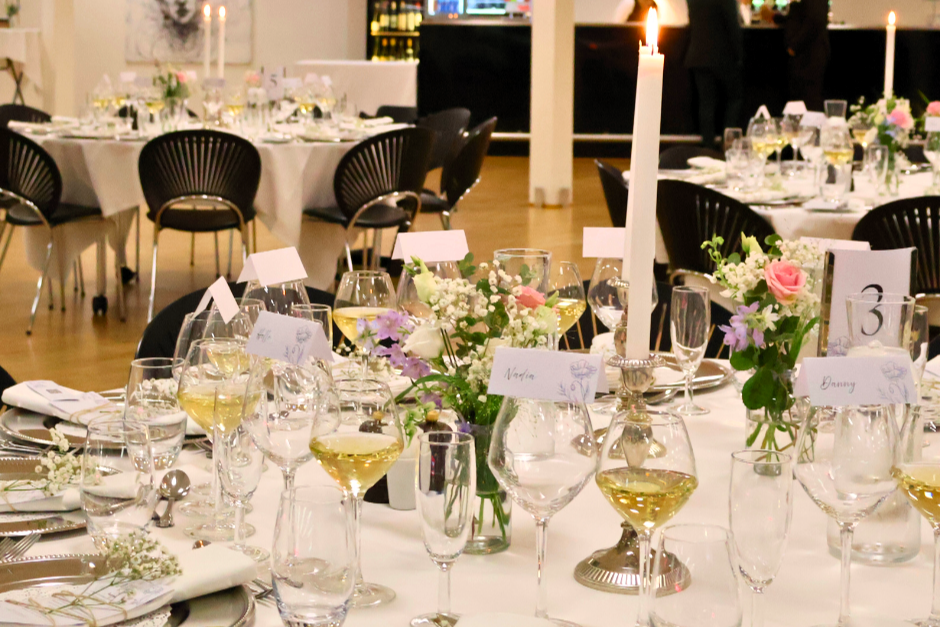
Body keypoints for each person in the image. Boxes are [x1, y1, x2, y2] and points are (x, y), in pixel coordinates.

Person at [684, 0, 744, 150]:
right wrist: (740, 56)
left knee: (706, 103)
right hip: (723, 56)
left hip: (698, 55)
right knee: (735, 98)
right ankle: (729, 144)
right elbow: (733, 27)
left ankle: (708, 148)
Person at [761, 0, 830, 111]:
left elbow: (816, 19)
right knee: (799, 101)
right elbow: (797, 18)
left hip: (809, 56)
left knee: (809, 101)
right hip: (802, 56)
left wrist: (794, 46)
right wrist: (775, 17)